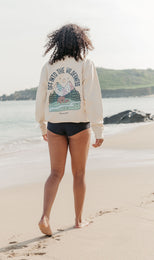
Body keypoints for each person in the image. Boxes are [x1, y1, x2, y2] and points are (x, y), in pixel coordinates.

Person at [35, 23, 104, 236]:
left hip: (55, 125)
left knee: (55, 173)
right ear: (81, 42)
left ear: (57, 43)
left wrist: (41, 123)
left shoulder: (49, 66)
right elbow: (92, 97)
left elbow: (41, 96)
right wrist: (98, 128)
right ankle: (78, 220)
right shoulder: (85, 64)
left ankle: (45, 217)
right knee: (79, 174)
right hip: (78, 125)